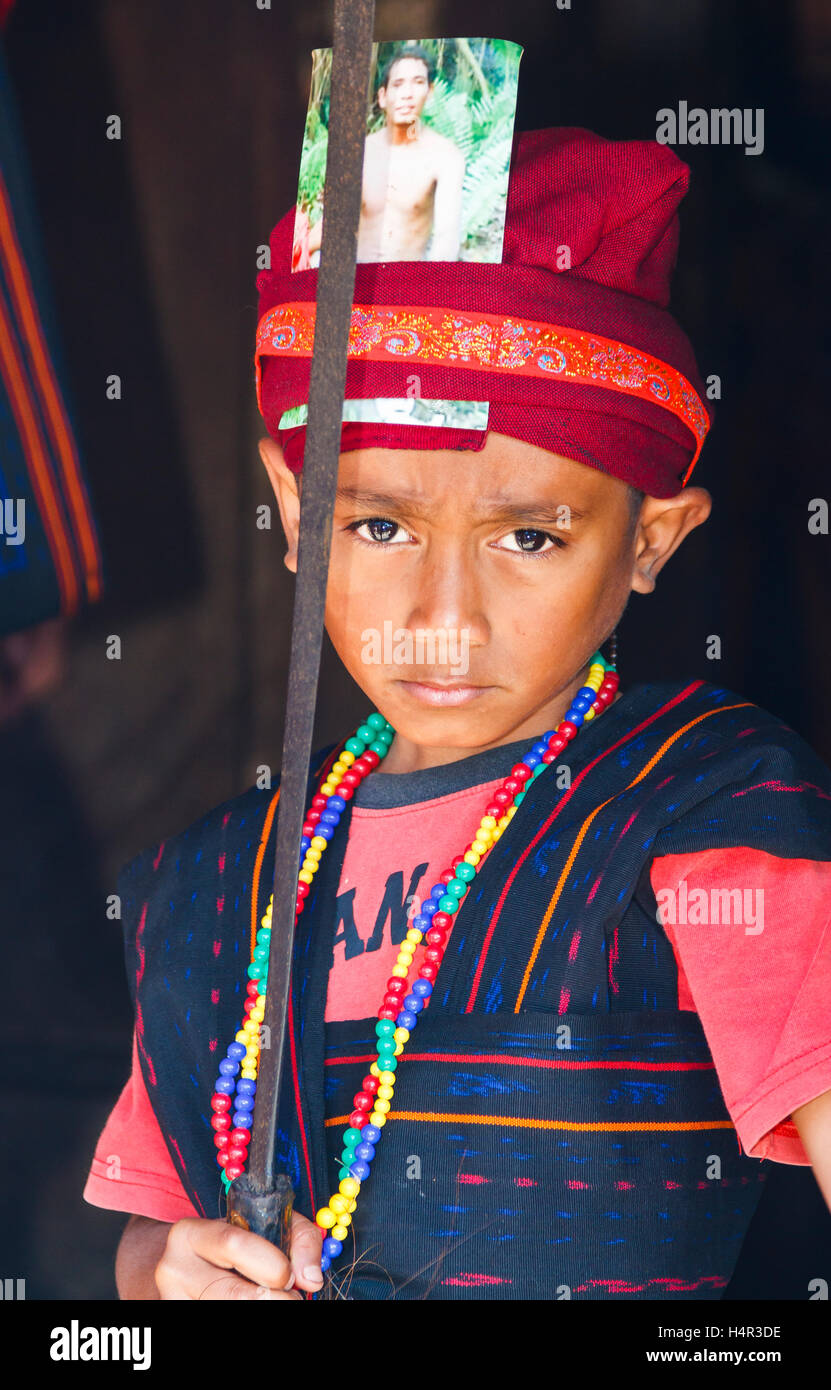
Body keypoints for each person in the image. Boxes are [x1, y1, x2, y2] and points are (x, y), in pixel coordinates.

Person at [86, 125, 831, 1302]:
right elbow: (148, 1242)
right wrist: (163, 1277)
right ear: (293, 504)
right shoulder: (207, 891)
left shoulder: (708, 813)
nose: (445, 614)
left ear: (651, 540)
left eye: (528, 537)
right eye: (378, 525)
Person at [301, 43, 465, 266]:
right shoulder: (359, 152)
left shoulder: (445, 156)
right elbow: (334, 222)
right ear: (383, 97)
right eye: (398, 84)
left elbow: (446, 241)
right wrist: (297, 252)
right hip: (355, 275)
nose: (407, 94)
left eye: (418, 83)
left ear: (430, 91)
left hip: (405, 283)